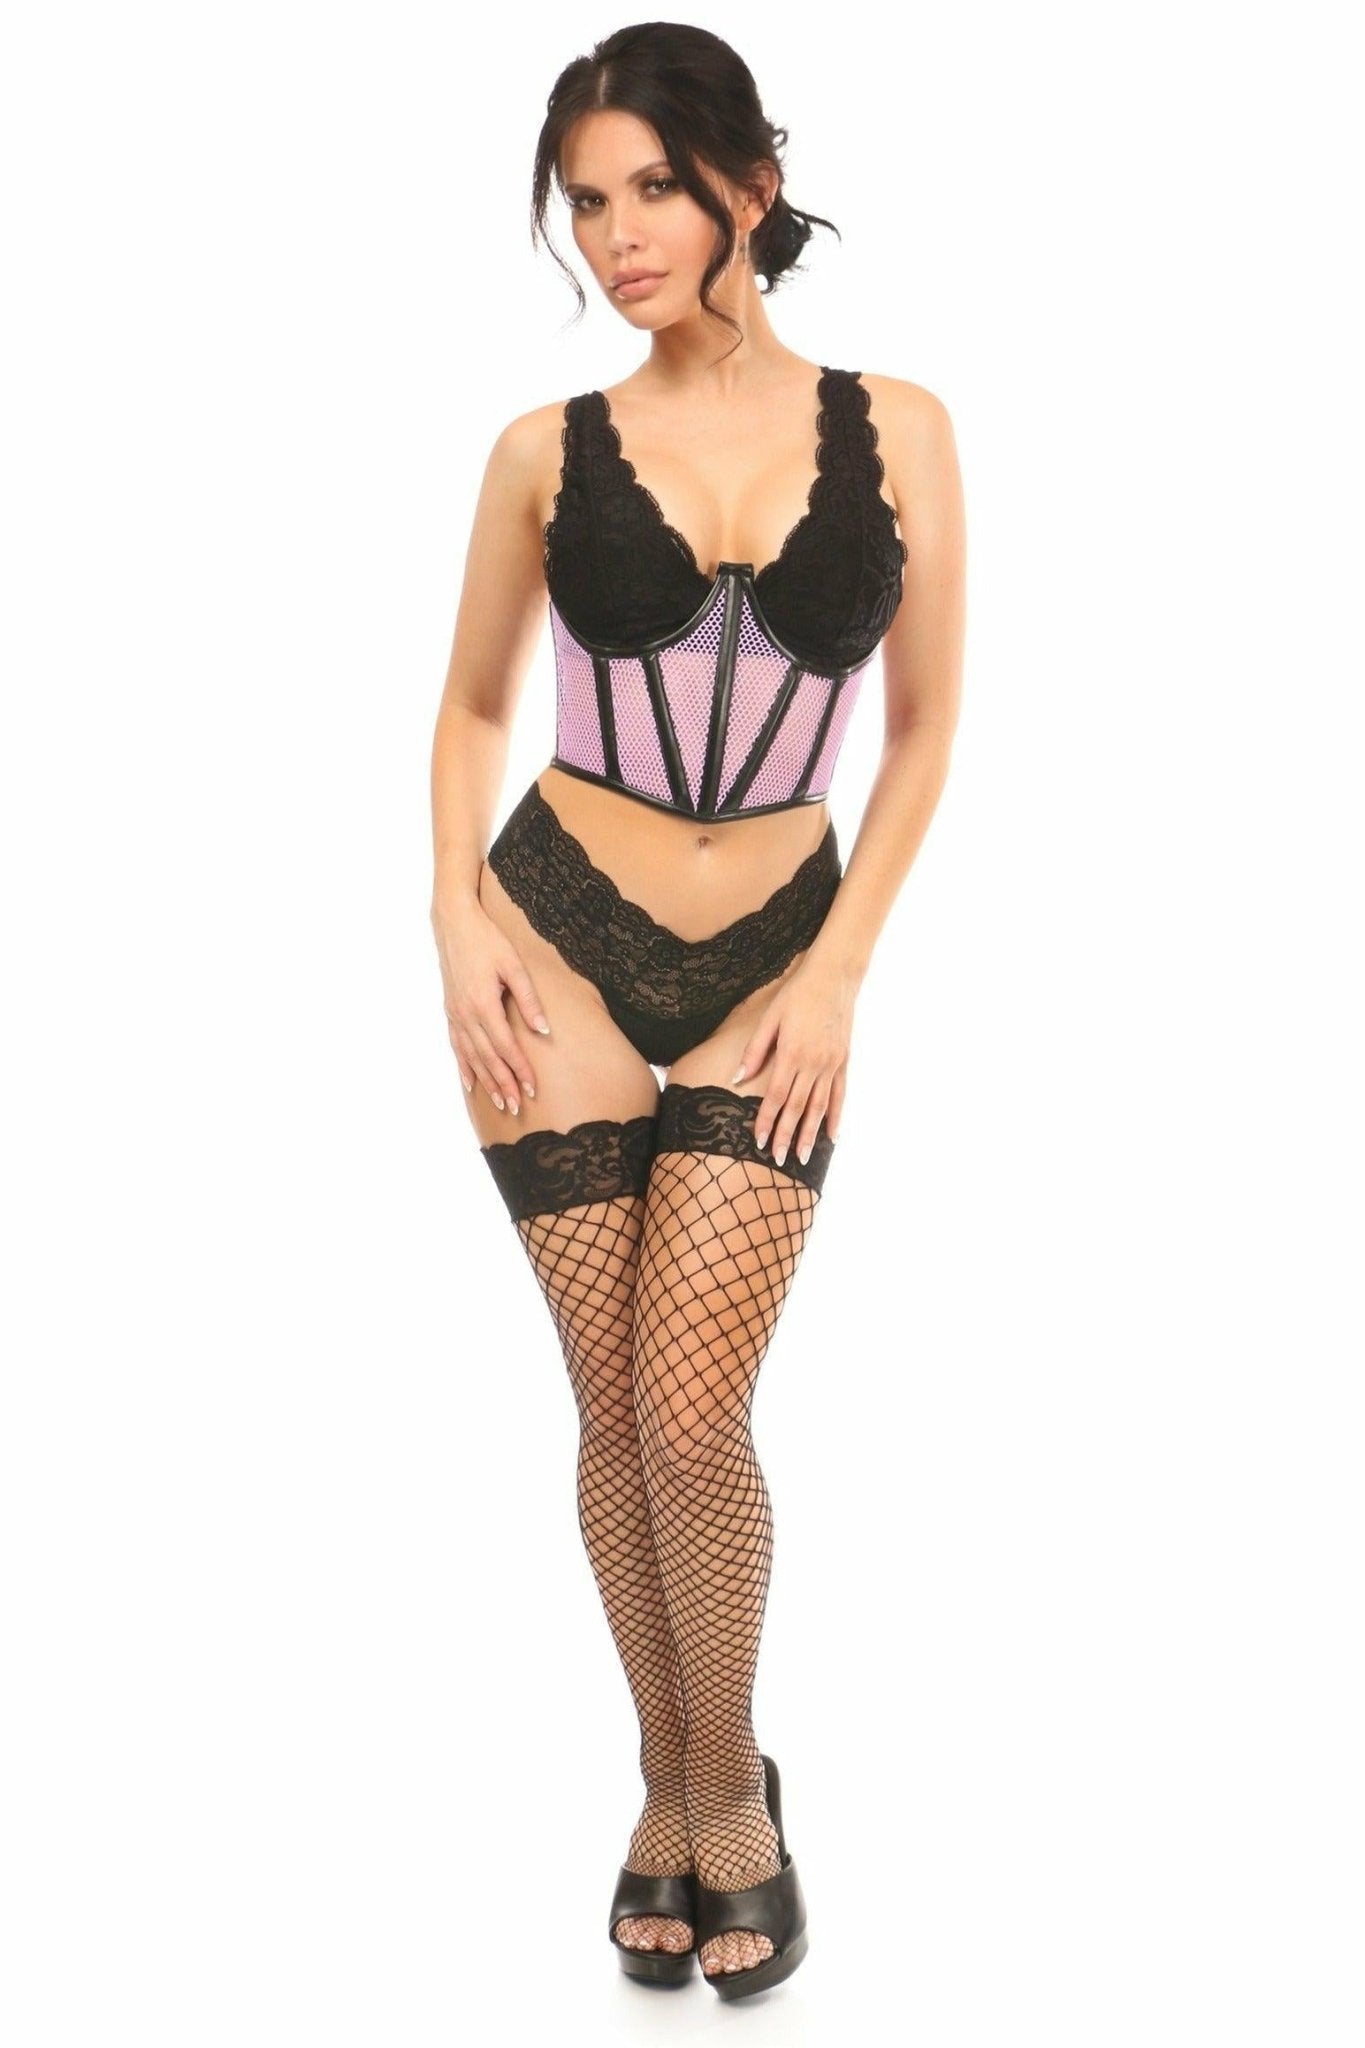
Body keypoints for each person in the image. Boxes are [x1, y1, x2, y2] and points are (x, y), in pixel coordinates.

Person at [428, 22, 964, 1999]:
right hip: (554, 932)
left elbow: (922, 727)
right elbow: (474, 703)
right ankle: (669, 1788)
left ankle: (723, 1782)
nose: (617, 234)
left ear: (749, 180)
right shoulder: (541, 449)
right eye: (585, 201)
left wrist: (837, 974)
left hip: (774, 963)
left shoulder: (898, 425)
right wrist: (450, 916)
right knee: (609, 1409)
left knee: (685, 1410)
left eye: (653, 185)